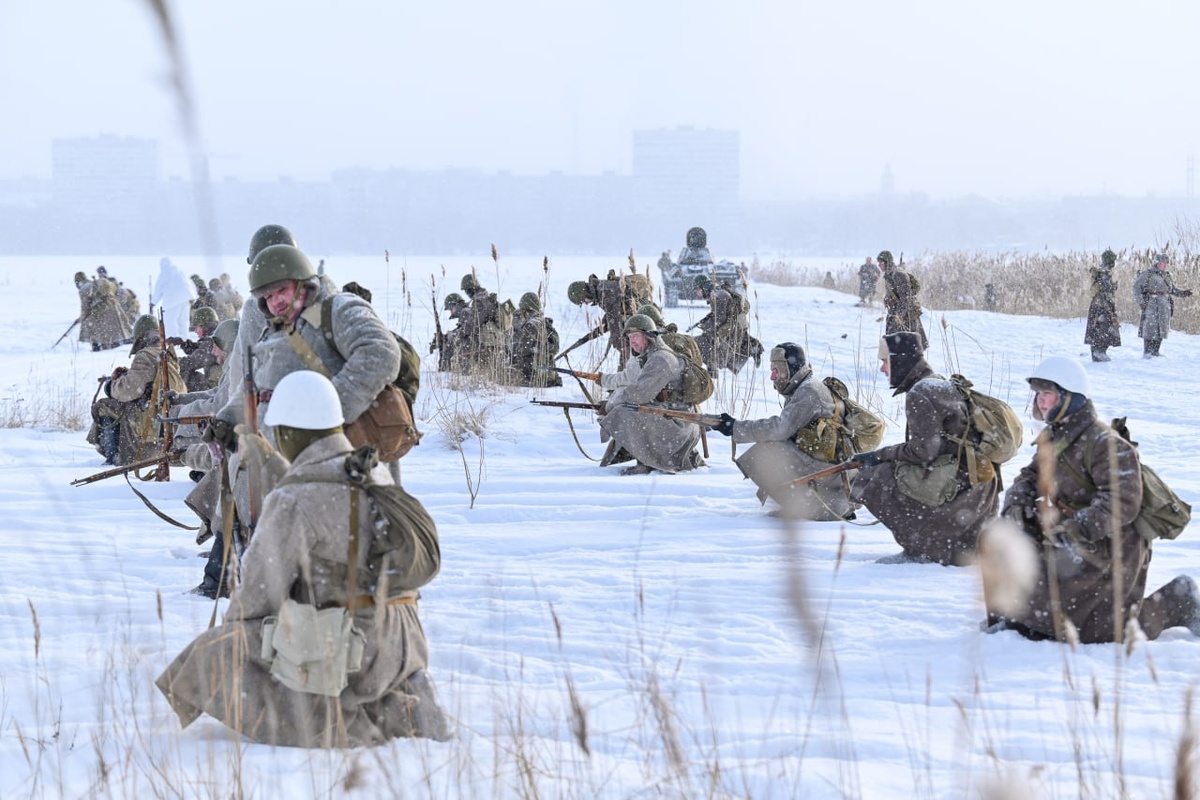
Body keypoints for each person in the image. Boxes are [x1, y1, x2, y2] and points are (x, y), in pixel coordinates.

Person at [156, 370, 449, 746]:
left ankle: (362, 720)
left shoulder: (293, 498)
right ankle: (392, 699)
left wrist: (238, 633)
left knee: (216, 651)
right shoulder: (370, 471)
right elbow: (325, 504)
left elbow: (257, 595)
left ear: (289, 432)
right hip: (405, 642)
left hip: (355, 647)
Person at [986, 356, 1200, 643]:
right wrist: (1016, 504)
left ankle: (1177, 599)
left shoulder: (1106, 443)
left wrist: (1078, 529)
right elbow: (1030, 476)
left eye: (1048, 394)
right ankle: (1014, 617)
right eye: (1038, 395)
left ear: (1070, 397)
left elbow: (1121, 503)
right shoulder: (1056, 436)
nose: (1041, 402)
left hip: (1111, 544)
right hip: (1067, 535)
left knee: (1102, 632)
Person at [850, 332, 1000, 565]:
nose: (882, 369)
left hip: (962, 484)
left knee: (875, 477)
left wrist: (877, 456)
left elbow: (924, 452)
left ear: (900, 361)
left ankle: (923, 549)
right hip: (977, 484)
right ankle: (955, 548)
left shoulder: (921, 392)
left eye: (885, 361)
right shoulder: (937, 382)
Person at [713, 343, 857, 520]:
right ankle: (823, 506)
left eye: (777, 370)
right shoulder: (806, 387)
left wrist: (736, 427)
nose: (773, 377)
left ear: (791, 368)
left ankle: (813, 510)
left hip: (831, 469)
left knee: (763, 455)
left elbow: (779, 429)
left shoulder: (808, 391)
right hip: (832, 467)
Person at [596, 314, 702, 475]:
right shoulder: (651, 356)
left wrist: (610, 404)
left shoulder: (661, 358)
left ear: (649, 336)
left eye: (635, 336)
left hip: (680, 424)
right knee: (628, 409)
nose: (632, 341)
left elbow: (637, 394)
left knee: (625, 413)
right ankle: (648, 459)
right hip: (674, 418)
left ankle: (652, 461)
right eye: (630, 337)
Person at [86, 314, 186, 466]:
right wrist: (128, 374)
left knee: (103, 406)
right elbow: (150, 381)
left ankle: (114, 457)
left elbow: (128, 390)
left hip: (150, 420)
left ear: (140, 336)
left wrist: (110, 386)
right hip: (165, 417)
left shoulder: (145, 356)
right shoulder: (167, 353)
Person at [1133, 252, 1192, 358]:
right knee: (1150, 327)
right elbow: (1136, 288)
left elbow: (1172, 290)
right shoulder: (1147, 274)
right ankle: (1147, 352)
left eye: (1165, 263)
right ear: (1156, 263)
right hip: (1151, 303)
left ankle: (1155, 351)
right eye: (1162, 262)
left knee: (1161, 329)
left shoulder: (1167, 276)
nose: (1164, 265)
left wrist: (1183, 293)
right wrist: (1142, 302)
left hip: (1164, 305)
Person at [692, 274, 754, 377]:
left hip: (732, 329)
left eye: (697, 290)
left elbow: (719, 320)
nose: (697, 293)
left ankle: (713, 375)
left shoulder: (718, 295)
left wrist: (705, 326)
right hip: (732, 328)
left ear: (704, 287)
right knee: (707, 346)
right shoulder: (717, 293)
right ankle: (713, 373)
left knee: (700, 345)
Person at [505, 292, 561, 387]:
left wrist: (508, 348)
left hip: (535, 377)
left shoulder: (531, 324)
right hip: (548, 375)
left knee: (499, 375)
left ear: (525, 310)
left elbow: (523, 351)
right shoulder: (543, 322)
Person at [878, 250, 928, 349]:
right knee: (895, 345)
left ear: (887, 262)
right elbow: (895, 293)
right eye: (879, 263)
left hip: (906, 315)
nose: (879, 265)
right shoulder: (890, 274)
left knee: (910, 346)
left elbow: (906, 297)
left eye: (881, 263)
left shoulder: (898, 274)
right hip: (897, 313)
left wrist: (899, 315)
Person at [74, 269, 131, 351]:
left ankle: (97, 346)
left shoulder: (83, 289)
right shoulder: (93, 284)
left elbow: (85, 308)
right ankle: (110, 345)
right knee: (109, 330)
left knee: (89, 324)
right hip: (112, 306)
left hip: (102, 310)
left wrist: (82, 318)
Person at [1084, 249, 1121, 362]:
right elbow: (1100, 289)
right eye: (1112, 260)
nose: (1113, 263)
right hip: (1101, 306)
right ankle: (1098, 352)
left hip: (1105, 305)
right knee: (1101, 329)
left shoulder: (1107, 272)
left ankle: (1100, 351)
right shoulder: (1102, 273)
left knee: (1105, 329)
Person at [173, 306, 221, 392]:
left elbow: (192, 362)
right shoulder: (217, 337)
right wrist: (184, 344)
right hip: (222, 384)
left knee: (188, 375)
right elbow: (201, 350)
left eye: (197, 327)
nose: (195, 331)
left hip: (218, 389)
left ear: (205, 326)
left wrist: (172, 363)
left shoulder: (211, 341)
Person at [152, 257, 195, 340]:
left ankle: (172, 339)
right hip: (186, 298)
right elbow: (190, 284)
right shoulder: (180, 271)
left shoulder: (164, 274)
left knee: (170, 320)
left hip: (172, 301)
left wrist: (153, 302)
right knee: (183, 321)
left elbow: (158, 290)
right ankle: (184, 338)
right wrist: (193, 296)